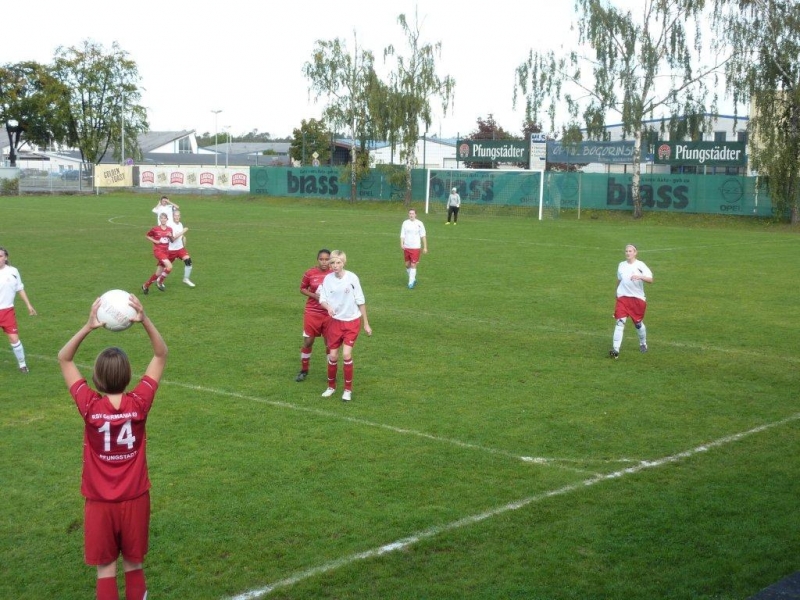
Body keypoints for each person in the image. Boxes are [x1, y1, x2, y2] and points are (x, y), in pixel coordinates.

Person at [57, 294, 167, 600]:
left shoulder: (90, 406)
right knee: (134, 564)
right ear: (129, 376)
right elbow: (161, 354)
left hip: (99, 503)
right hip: (136, 498)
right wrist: (144, 320)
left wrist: (88, 326)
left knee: (105, 568)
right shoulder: (140, 402)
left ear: (95, 378)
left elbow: (64, 358)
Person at [317, 250, 371, 401]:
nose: (335, 265)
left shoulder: (352, 278)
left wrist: (366, 324)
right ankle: (331, 387)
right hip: (335, 322)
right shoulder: (328, 279)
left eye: (338, 262)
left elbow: (360, 300)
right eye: (332, 263)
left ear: (344, 263)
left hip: (352, 322)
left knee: (346, 354)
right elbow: (322, 298)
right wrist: (328, 307)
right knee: (333, 356)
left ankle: (347, 390)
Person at [609, 244, 653, 359]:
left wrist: (640, 277)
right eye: (626, 251)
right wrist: (616, 292)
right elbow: (619, 279)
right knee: (619, 323)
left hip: (637, 299)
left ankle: (643, 343)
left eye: (630, 251)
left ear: (635, 253)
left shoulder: (640, 265)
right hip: (623, 298)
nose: (628, 253)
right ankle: (615, 350)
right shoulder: (621, 265)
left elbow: (650, 279)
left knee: (638, 324)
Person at [296, 249, 332, 382]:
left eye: (327, 259)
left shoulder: (334, 274)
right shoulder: (310, 273)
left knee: (330, 343)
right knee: (308, 341)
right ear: (318, 260)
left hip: (329, 312)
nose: (324, 262)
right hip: (312, 311)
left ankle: (331, 373)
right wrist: (314, 295)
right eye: (321, 259)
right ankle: (304, 370)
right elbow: (302, 288)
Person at [0, 246, 37, 373]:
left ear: (6, 257)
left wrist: (29, 305)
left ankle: (22, 365)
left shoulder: (13, 271)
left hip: (7, 311)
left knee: (14, 339)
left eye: (0, 256)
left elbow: (20, 288)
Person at [142, 213, 174, 294]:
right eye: (161, 218)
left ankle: (146, 285)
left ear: (167, 219)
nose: (163, 219)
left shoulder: (170, 229)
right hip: (158, 251)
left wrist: (170, 236)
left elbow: (172, 240)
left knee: (158, 273)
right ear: (160, 219)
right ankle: (160, 281)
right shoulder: (155, 229)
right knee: (169, 267)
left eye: (164, 218)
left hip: (166, 252)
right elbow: (147, 236)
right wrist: (155, 241)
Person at [400, 209, 428, 289]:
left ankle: (411, 282)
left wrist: (425, 247)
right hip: (407, 247)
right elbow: (402, 234)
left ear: (415, 215)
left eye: (412, 213)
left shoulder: (420, 223)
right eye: (410, 213)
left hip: (416, 247)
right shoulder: (405, 223)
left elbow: (423, 236)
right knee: (407, 265)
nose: (411, 215)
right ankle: (413, 278)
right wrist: (401, 244)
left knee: (413, 264)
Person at [167, 210, 195, 287]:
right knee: (166, 267)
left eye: (178, 215)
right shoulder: (170, 226)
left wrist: (183, 240)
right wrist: (183, 231)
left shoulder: (180, 224)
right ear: (173, 216)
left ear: (180, 216)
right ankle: (159, 279)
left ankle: (186, 279)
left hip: (180, 249)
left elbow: (181, 237)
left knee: (188, 262)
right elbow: (173, 239)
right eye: (175, 215)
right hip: (171, 250)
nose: (177, 217)